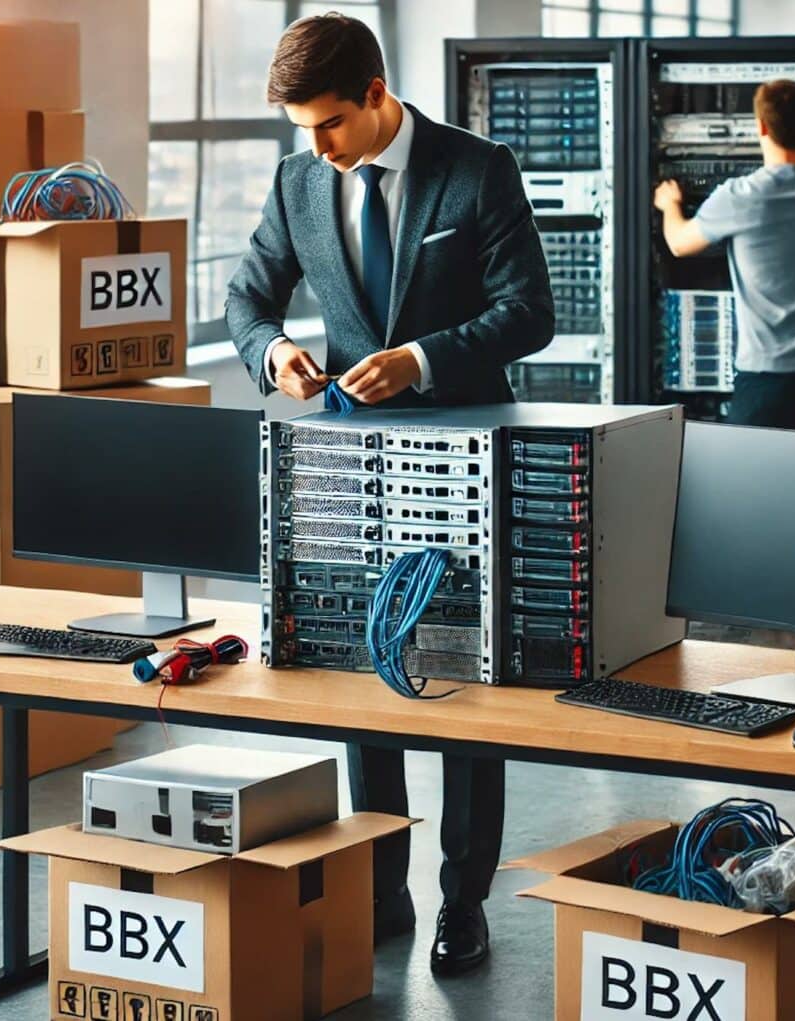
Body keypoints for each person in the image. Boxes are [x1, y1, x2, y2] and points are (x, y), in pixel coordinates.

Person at [225, 13, 554, 976]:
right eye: (302, 130)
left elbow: (529, 311)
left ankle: (463, 903)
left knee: (461, 685)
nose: (316, 148)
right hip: (345, 467)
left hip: (468, 464)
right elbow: (247, 300)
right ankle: (382, 888)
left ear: (375, 95)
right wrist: (273, 349)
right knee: (363, 680)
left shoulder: (478, 168)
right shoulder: (298, 182)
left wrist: (419, 359)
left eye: (328, 123)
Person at [653, 79, 795, 433]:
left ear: (761, 127)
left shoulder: (738, 197)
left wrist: (670, 205)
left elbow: (678, 243)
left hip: (765, 384)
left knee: (752, 487)